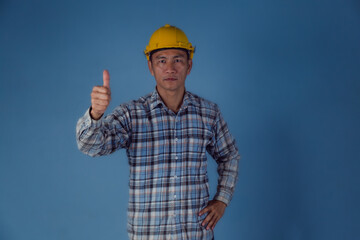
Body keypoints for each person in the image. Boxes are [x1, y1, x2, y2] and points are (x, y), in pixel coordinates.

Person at [76, 24, 240, 240]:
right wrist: (95, 114)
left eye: (178, 60)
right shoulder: (131, 114)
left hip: (194, 234)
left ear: (189, 66)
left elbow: (230, 156)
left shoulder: (208, 113)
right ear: (150, 67)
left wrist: (222, 200)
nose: (170, 68)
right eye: (161, 60)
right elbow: (90, 146)